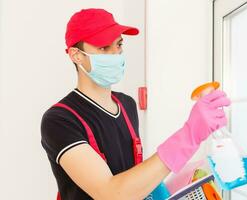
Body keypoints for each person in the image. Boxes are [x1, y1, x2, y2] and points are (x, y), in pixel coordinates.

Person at [40, 8, 231, 200]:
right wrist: (189, 135)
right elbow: (110, 194)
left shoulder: (126, 104)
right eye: (104, 48)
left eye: (119, 44)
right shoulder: (59, 120)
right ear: (76, 55)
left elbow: (132, 181)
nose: (116, 54)